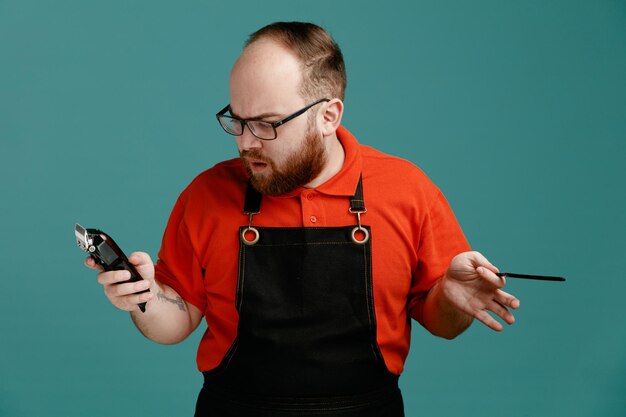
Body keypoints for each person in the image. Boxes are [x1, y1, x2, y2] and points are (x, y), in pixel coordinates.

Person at [85, 21, 520, 417]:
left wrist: (453, 297)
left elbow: (443, 324)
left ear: (328, 116)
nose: (245, 142)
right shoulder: (205, 195)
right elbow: (175, 322)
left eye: (267, 124)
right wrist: (143, 298)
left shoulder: (408, 189)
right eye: (236, 120)